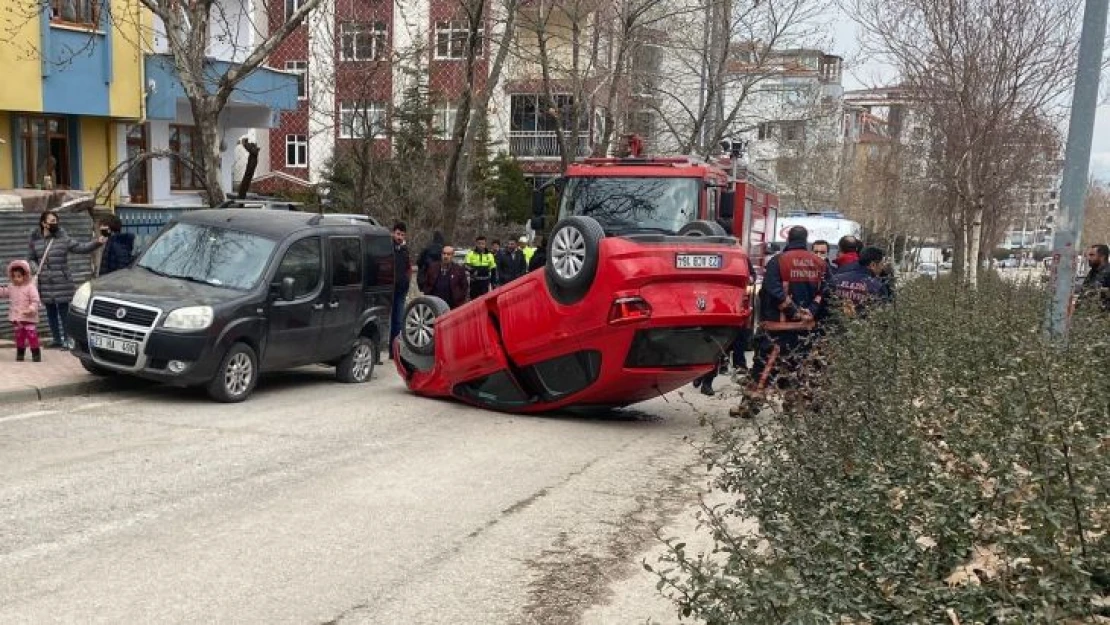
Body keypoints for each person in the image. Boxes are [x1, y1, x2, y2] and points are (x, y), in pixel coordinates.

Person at [731, 226, 829, 418]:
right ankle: (791, 407)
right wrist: (810, 311)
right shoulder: (819, 263)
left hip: (777, 328)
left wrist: (791, 310)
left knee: (763, 369)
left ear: (788, 240)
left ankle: (749, 407)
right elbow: (825, 291)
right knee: (798, 368)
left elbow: (772, 289)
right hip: (805, 328)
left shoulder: (778, 261)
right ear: (806, 240)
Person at [29, 210, 105, 349]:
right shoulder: (36, 241)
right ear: (43, 223)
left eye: (56, 221)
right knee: (50, 312)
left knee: (64, 312)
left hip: (62, 282)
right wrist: (35, 269)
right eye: (51, 221)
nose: (55, 223)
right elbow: (31, 258)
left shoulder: (63, 239)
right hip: (45, 283)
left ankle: (67, 340)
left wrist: (97, 243)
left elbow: (81, 248)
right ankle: (56, 339)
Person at [831, 246, 892, 318]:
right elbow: (882, 316)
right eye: (881, 264)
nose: (882, 268)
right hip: (861, 327)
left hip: (834, 326)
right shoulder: (877, 287)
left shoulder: (836, 279)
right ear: (873, 265)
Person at [0, 260, 42, 362]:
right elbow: (4, 293)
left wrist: (31, 309)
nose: (16, 279)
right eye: (14, 276)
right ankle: (20, 354)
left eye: (19, 276)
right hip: (17, 318)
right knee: (19, 337)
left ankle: (36, 354)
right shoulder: (11, 287)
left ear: (25, 275)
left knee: (32, 336)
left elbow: (35, 300)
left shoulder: (30, 287)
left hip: (29, 317)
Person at [389, 222, 412, 356]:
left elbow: (408, 268)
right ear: (393, 233)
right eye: (398, 234)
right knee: (387, 320)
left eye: (402, 235)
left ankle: (394, 351)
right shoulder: (388, 247)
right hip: (389, 288)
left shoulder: (404, 250)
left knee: (398, 320)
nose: (400, 237)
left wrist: (407, 281)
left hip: (401, 289)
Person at [1077, 244, 1110, 313]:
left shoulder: (1108, 272)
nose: (1089, 258)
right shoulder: (1092, 272)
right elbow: (1084, 292)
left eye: (1092, 255)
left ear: (1102, 257)